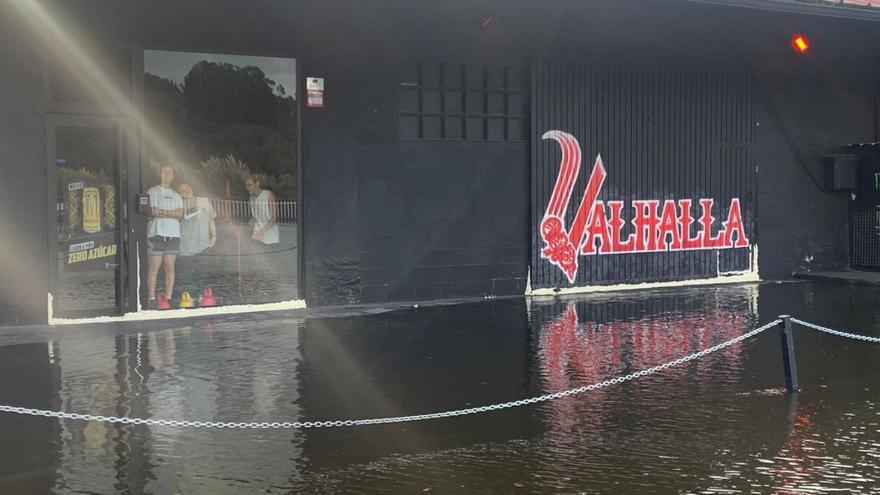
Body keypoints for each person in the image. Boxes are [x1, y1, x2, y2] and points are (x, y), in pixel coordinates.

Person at [146, 165, 183, 308]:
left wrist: (163, 213)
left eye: (170, 172)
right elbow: (153, 212)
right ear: (160, 174)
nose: (167, 174)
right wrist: (171, 213)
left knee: (170, 266)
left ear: (173, 175)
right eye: (164, 171)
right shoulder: (153, 191)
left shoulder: (176, 194)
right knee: (154, 266)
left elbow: (180, 214)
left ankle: (168, 297)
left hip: (173, 235)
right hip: (156, 234)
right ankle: (151, 298)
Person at [177, 183, 217, 300]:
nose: (186, 191)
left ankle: (201, 296)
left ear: (192, 189)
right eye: (182, 190)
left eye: (188, 188)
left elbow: (211, 220)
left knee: (203, 272)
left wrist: (214, 236)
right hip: (186, 245)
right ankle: (188, 297)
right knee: (185, 275)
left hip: (203, 243)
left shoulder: (203, 201)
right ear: (179, 193)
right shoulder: (179, 203)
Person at [245, 175, 279, 245]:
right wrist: (252, 220)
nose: (247, 188)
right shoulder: (251, 198)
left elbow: (274, 218)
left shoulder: (269, 195)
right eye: (246, 186)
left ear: (257, 184)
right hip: (257, 234)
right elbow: (255, 216)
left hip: (270, 236)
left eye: (250, 185)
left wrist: (262, 232)